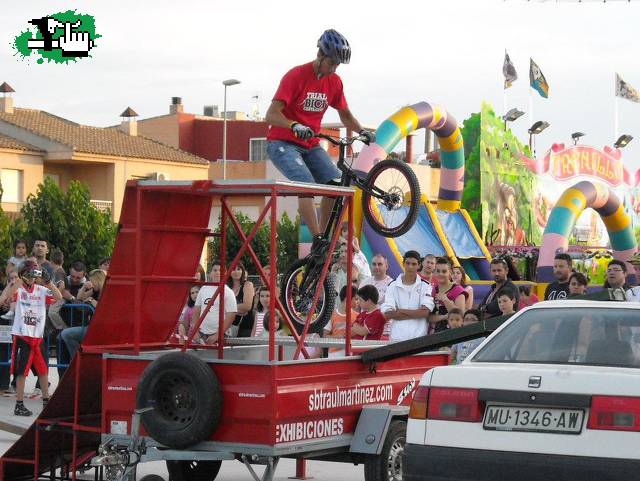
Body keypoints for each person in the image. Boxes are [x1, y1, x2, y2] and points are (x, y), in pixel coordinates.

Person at [265, 29, 375, 257]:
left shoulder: (334, 82)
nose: (334, 68)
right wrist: (294, 125)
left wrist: (362, 130)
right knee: (305, 183)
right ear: (320, 55)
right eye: (332, 62)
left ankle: (323, 239)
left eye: (338, 65)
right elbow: (271, 115)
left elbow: (345, 115)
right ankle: (316, 238)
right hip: (282, 143)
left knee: (334, 184)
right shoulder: (295, 76)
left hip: (311, 144)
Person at [0, 260, 62, 416]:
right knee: (21, 372)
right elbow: (6, 296)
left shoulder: (41, 290)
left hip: (38, 337)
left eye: (34, 274)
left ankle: (46, 403)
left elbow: (59, 297)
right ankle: (19, 405)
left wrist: (49, 282)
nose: (32, 277)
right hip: (23, 336)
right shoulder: (19, 289)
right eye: (29, 273)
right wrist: (19, 278)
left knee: (43, 371)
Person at [381, 250, 435, 342]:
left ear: (419, 265)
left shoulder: (426, 286)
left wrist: (400, 311)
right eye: (408, 263)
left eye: (414, 264)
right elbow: (388, 313)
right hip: (396, 339)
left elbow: (425, 313)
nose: (410, 267)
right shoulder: (392, 285)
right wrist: (417, 313)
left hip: (419, 339)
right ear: (403, 264)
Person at [61, 269, 106, 360]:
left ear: (98, 280)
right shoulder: (95, 290)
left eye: (92, 281)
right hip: (92, 327)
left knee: (66, 334)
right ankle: (79, 359)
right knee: (65, 334)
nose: (91, 283)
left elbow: (104, 308)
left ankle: (79, 359)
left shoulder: (106, 291)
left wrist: (91, 301)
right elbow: (79, 297)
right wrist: (84, 287)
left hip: (100, 328)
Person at [191, 262, 237, 344]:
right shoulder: (203, 289)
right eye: (215, 270)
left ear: (225, 273)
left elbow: (231, 316)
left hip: (219, 335)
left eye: (220, 270)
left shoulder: (228, 292)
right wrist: (195, 331)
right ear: (210, 273)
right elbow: (196, 311)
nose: (217, 272)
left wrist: (217, 335)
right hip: (201, 334)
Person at [429, 257, 467, 334]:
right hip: (436, 333)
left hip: (453, 333)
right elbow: (429, 317)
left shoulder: (457, 290)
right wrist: (443, 317)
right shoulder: (434, 290)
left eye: (444, 271)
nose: (440, 274)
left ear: (450, 272)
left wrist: (445, 300)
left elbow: (461, 314)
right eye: (438, 271)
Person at [324, 285, 359, 357]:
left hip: (352, 353)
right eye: (356, 299)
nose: (358, 301)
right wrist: (339, 337)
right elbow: (324, 336)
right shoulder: (332, 315)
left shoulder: (358, 316)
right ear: (347, 299)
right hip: (334, 354)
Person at [227, 262, 255, 337]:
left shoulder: (248, 285)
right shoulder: (226, 287)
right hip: (228, 327)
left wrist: (228, 309)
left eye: (238, 269)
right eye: (233, 269)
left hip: (245, 328)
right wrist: (238, 309)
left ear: (242, 271)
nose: (236, 272)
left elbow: (247, 306)